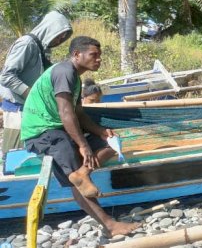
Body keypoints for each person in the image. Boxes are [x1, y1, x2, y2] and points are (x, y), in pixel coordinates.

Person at [21, 36, 140, 237]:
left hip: (57, 129)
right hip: (41, 132)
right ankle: (109, 225)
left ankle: (82, 174)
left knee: (110, 143)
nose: (99, 59)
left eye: (99, 56)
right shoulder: (64, 71)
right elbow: (66, 113)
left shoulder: (75, 78)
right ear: (77, 54)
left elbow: (79, 113)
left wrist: (100, 132)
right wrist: (83, 145)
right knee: (75, 173)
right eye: (94, 55)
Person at [0, 11, 72, 159]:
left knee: (29, 152)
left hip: (30, 107)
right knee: (14, 153)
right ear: (49, 29)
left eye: (63, 37)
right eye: (59, 35)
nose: (60, 40)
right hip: (18, 108)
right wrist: (32, 94)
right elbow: (6, 76)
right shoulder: (27, 44)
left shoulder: (42, 49)